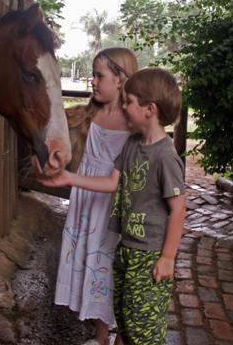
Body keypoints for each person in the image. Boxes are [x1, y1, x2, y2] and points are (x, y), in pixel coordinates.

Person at [39, 67, 186, 345]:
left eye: (129, 102)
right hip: (127, 247)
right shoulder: (132, 144)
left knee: (143, 327)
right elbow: (111, 182)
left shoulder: (166, 157)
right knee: (124, 312)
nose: (124, 107)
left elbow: (178, 209)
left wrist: (167, 257)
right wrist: (69, 177)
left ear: (149, 109)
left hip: (150, 254)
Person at [55, 47, 138, 345]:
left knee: (107, 267)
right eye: (93, 75)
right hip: (86, 203)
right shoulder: (90, 113)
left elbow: (127, 176)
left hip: (110, 207)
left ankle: (116, 335)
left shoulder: (133, 123)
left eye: (99, 75)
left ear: (120, 79)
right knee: (89, 263)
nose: (92, 81)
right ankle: (100, 336)